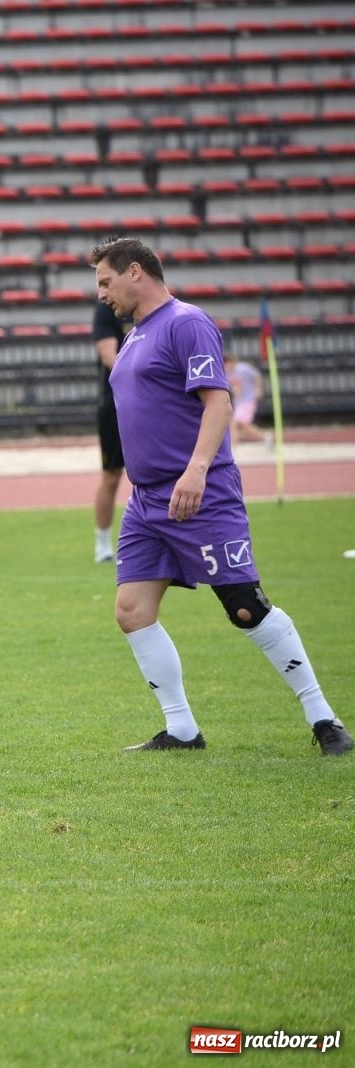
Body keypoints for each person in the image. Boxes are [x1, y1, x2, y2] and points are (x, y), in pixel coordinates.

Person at [91, 237, 349, 756]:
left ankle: (325, 719)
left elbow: (218, 403)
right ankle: (182, 729)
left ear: (134, 271)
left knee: (245, 608)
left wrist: (196, 471)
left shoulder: (186, 322)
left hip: (199, 493)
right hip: (147, 503)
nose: (101, 294)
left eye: (105, 281)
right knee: (131, 609)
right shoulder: (137, 334)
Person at [91, 301, 131, 562]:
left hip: (153, 405)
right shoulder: (105, 310)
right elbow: (109, 357)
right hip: (116, 404)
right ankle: (102, 543)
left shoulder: (152, 309)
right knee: (112, 474)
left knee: (161, 473)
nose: (103, 291)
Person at [224, 355, 266, 443]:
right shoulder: (226, 374)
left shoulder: (242, 369)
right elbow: (234, 387)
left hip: (248, 399)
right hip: (239, 401)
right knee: (239, 424)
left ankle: (265, 437)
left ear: (231, 362)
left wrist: (258, 388)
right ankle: (265, 437)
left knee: (237, 423)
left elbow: (256, 375)